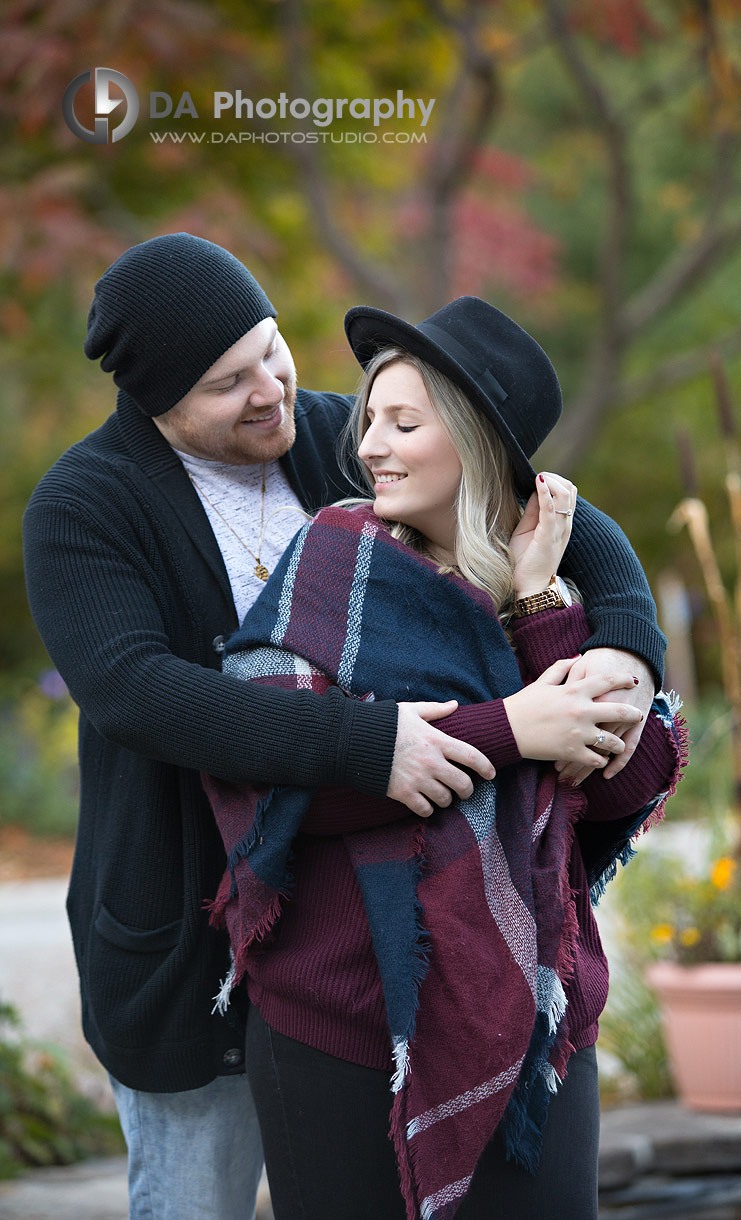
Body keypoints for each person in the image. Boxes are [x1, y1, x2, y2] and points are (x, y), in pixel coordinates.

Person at [22, 234, 667, 1220]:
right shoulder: (85, 505)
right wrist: (379, 743)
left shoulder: (337, 437)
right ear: (158, 402)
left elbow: (552, 504)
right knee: (194, 1199)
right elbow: (135, 689)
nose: (271, 390)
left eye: (272, 351)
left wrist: (625, 645)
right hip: (190, 934)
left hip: (369, 934)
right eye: (228, 381)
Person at [204, 297, 686, 1220]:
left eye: (403, 422)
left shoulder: (547, 584)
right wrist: (510, 728)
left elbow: (616, 783)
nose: (370, 446)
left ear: (471, 443)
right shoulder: (333, 561)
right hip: (342, 1022)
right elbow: (286, 785)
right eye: (371, 421)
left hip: (533, 1015)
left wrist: (541, 601)